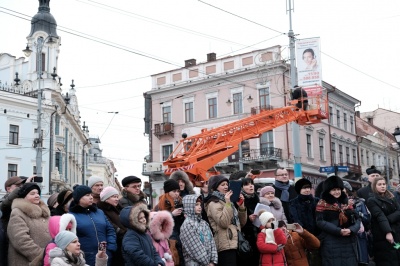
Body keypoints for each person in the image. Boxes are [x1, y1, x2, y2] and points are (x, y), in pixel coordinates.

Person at [316, 175, 360, 265]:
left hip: (349, 241)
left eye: (338, 189)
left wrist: (351, 230)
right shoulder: (322, 204)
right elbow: (320, 221)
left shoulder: (347, 203)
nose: (337, 192)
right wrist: (338, 231)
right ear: (328, 191)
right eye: (333, 190)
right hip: (331, 241)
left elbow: (357, 220)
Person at [69, 185, 117, 266]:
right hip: (85, 257)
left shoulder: (99, 212)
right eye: (87, 195)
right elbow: (70, 238)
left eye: (91, 195)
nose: (91, 197)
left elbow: (110, 230)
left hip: (104, 255)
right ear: (79, 198)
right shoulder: (71, 216)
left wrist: (110, 248)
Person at [205, 175, 247, 266]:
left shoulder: (228, 201)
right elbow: (224, 222)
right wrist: (228, 203)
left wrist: (241, 207)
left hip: (235, 243)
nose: (226, 187)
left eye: (227, 184)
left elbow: (242, 223)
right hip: (225, 246)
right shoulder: (213, 203)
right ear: (214, 188)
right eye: (222, 185)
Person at [7, 182, 52, 266]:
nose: (37, 195)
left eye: (38, 193)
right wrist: (41, 255)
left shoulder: (44, 213)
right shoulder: (18, 212)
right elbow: (20, 240)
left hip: (47, 260)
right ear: (24, 196)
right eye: (32, 194)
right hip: (26, 262)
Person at [366, 176, 400, 266]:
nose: (382, 186)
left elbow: (399, 211)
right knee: (387, 259)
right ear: (374, 186)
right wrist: (388, 232)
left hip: (396, 232)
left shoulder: (392, 198)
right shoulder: (371, 200)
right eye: (379, 184)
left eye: (384, 184)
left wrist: (388, 219)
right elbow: (380, 216)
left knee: (397, 256)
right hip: (382, 233)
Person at [180, 194, 218, 266]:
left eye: (200, 205)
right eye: (196, 205)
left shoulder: (204, 223)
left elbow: (212, 242)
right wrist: (207, 263)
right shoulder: (187, 225)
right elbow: (195, 248)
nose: (199, 207)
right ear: (189, 206)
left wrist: (213, 261)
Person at [157, 179, 185, 265]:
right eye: (174, 191)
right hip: (169, 239)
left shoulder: (181, 201)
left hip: (181, 236)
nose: (177, 193)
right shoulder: (161, 204)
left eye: (178, 191)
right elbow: (158, 221)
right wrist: (171, 214)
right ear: (168, 192)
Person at [343, 181, 371, 266]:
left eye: (343, 191)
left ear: (348, 191)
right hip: (345, 239)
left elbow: (367, 219)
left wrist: (355, 212)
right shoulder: (335, 204)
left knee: (361, 262)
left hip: (359, 238)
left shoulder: (359, 203)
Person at [97, 186, 126, 266]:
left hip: (121, 242)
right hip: (113, 243)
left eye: (117, 196)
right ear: (106, 199)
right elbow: (111, 226)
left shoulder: (117, 208)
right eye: (113, 197)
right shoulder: (101, 210)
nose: (117, 199)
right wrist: (123, 232)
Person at [238, 178, 260, 266]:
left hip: (258, 235)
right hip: (245, 237)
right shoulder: (238, 200)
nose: (251, 186)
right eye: (247, 184)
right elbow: (237, 219)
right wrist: (247, 218)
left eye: (252, 183)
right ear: (242, 188)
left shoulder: (256, 199)